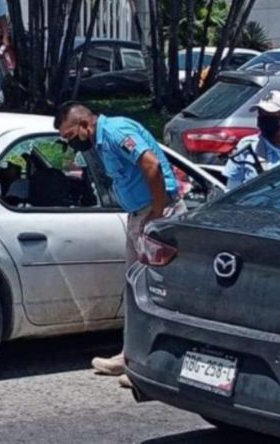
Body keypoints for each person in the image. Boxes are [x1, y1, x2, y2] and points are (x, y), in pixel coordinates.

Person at [54, 101, 184, 389]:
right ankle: (131, 355)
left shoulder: (115, 132)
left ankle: (152, 366)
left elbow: (151, 165)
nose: (70, 143)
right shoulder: (100, 141)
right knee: (135, 288)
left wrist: (157, 215)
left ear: (84, 125)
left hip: (155, 213)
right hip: (139, 214)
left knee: (156, 289)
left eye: (69, 136)